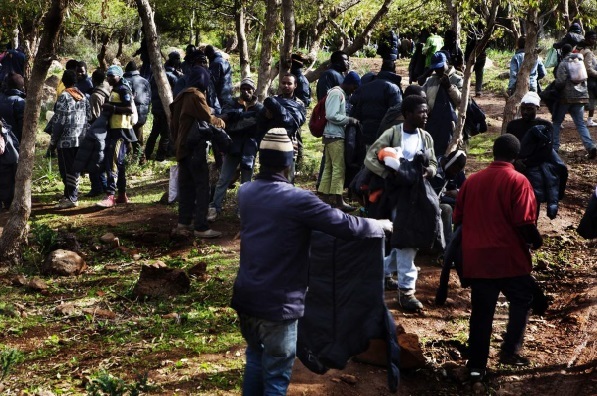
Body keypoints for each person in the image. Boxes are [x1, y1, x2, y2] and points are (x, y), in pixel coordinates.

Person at [231, 127, 392, 395]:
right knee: (276, 378)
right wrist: (378, 225)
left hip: (246, 299)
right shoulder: (298, 199)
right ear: (288, 163)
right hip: (278, 306)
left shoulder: (246, 192)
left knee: (256, 360)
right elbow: (345, 225)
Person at [453, 134, 543, 382]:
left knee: (481, 313)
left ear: (494, 153)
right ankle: (510, 351)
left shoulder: (472, 180)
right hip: (509, 258)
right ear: (516, 155)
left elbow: (457, 218)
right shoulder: (518, 180)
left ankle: (476, 367)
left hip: (477, 259)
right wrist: (536, 241)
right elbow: (524, 222)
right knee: (523, 298)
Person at [364, 95, 438, 310]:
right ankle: (406, 292)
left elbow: (433, 161)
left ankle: (381, 272)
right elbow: (370, 157)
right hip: (398, 195)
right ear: (407, 114)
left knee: (407, 239)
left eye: (426, 111)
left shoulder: (426, 137)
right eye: (420, 112)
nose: (425, 115)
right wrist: (387, 175)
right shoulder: (393, 133)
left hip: (420, 193)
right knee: (406, 239)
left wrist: (430, 171)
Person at [170, 66, 227, 239]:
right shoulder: (196, 95)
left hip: (182, 148)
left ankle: (183, 223)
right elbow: (209, 118)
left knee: (186, 187)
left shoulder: (180, 96)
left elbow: (173, 125)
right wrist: (223, 121)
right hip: (195, 147)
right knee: (202, 186)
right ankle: (201, 227)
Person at [208, 77, 263, 221]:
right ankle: (214, 208)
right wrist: (238, 118)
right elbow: (225, 122)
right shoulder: (232, 103)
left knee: (246, 182)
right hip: (233, 146)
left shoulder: (259, 107)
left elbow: (260, 125)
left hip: (249, 149)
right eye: (243, 88)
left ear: (254, 90)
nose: (246, 91)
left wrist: (237, 118)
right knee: (223, 179)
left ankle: (242, 210)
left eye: (249, 88)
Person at [317, 71, 361, 211]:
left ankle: (323, 198)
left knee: (329, 167)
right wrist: (349, 120)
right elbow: (331, 115)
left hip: (331, 135)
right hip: (335, 135)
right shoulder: (337, 93)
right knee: (338, 168)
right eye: (354, 88)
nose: (353, 91)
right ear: (349, 84)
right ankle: (338, 200)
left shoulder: (337, 93)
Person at [95, 65, 136, 208]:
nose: (109, 78)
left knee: (112, 162)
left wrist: (112, 108)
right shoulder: (115, 89)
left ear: (119, 76)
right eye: (108, 75)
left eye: (112, 76)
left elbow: (129, 109)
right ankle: (122, 195)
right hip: (114, 129)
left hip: (121, 131)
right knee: (119, 164)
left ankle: (110, 196)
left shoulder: (124, 89)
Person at [49, 70, 90, 209]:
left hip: (66, 141)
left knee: (66, 170)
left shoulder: (64, 97)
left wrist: (52, 143)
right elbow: (88, 117)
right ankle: (69, 195)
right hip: (80, 139)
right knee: (75, 168)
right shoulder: (83, 96)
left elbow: (59, 121)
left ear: (64, 82)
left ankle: (72, 198)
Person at [260, 73, 306, 183]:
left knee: (288, 180)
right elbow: (263, 120)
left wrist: (277, 113)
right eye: (283, 83)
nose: (286, 85)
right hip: (271, 143)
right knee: (268, 179)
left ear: (295, 85)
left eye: (289, 83)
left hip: (290, 144)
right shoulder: (273, 100)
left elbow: (295, 123)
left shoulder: (299, 104)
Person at [552, 49, 597, 158]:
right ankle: (590, 146)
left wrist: (555, 88)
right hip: (581, 98)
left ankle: (554, 148)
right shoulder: (580, 63)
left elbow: (560, 81)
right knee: (580, 123)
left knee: (557, 122)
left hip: (565, 98)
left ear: (563, 53)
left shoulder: (563, 64)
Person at [350, 60, 402, 146]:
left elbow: (354, 103)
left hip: (365, 131)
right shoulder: (393, 88)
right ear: (394, 71)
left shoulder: (366, 86)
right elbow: (397, 111)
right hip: (385, 133)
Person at [421, 51, 463, 156]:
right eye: (435, 67)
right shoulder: (430, 81)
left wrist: (449, 87)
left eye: (440, 66)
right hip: (432, 124)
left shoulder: (457, 79)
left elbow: (461, 102)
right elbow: (423, 99)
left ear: (447, 63)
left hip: (450, 125)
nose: (438, 70)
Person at [146, 53, 181, 161]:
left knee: (154, 132)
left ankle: (146, 154)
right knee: (165, 134)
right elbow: (177, 93)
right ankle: (160, 156)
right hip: (166, 109)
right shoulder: (173, 76)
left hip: (156, 108)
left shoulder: (155, 74)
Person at [124, 60, 152, 164]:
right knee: (138, 139)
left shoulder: (123, 80)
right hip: (141, 113)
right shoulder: (144, 81)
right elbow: (149, 97)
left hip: (126, 114)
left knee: (127, 138)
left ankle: (127, 161)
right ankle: (141, 159)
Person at [0, 72, 26, 142]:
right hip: (13, 141)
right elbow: (22, 127)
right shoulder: (19, 101)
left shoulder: (1, 97)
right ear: (21, 86)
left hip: (2, 138)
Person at [0, 120, 19, 210]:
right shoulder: (5, 125)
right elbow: (16, 142)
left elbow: (1, 149)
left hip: (6, 160)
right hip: (11, 157)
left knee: (6, 184)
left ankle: (8, 205)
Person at [580, 30, 597, 126]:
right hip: (589, 79)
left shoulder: (580, 48)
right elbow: (588, 69)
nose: (594, 41)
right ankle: (589, 119)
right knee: (591, 99)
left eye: (595, 39)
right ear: (586, 38)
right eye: (592, 38)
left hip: (581, 78)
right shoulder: (588, 52)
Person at [464, 29, 487, 97]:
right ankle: (478, 91)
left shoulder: (470, 36)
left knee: (467, 74)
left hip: (471, 57)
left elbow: (467, 48)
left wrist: (466, 59)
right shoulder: (483, 35)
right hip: (482, 56)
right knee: (479, 73)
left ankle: (465, 90)